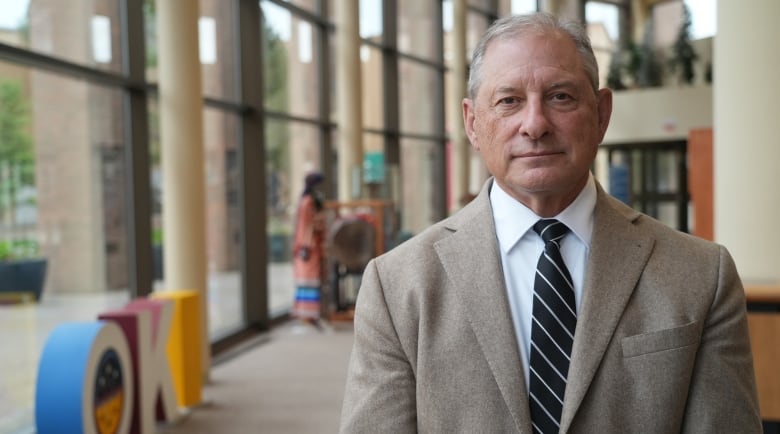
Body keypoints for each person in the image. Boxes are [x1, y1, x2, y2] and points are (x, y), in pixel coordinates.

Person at [340, 12, 761, 433]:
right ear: (472, 123)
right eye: (509, 101)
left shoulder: (701, 276)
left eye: (560, 96)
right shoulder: (397, 287)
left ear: (601, 114)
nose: (535, 124)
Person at [291, 171, 326, 324]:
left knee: (306, 279)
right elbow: (311, 224)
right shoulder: (308, 202)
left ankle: (306, 313)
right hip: (309, 247)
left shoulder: (304, 200)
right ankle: (308, 314)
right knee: (309, 279)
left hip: (304, 247)